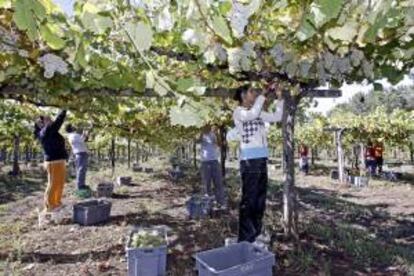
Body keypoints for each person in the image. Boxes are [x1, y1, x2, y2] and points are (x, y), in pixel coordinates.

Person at [233, 83, 283, 243]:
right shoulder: (239, 112)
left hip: (261, 159)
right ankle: (245, 237)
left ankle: (256, 232)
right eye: (251, 92)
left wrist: (280, 98)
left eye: (254, 92)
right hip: (249, 160)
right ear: (243, 95)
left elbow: (277, 117)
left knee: (260, 198)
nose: (254, 94)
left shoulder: (258, 112)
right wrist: (263, 94)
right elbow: (252, 115)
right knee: (249, 199)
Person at [34, 110, 68, 213]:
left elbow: (55, 124)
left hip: (58, 161)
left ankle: (57, 203)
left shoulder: (49, 131)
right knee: (53, 184)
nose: (49, 119)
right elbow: (58, 121)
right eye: (46, 119)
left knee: (59, 183)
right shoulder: (45, 131)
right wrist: (64, 109)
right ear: (41, 124)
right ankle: (49, 206)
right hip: (53, 162)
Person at [199, 125, 226, 208]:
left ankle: (220, 203)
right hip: (205, 162)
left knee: (218, 183)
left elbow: (219, 144)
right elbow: (198, 141)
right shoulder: (201, 134)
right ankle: (208, 204)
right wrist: (201, 132)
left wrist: (217, 133)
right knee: (207, 183)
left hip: (214, 161)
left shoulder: (214, 134)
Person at [65, 124, 90, 192]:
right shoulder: (74, 135)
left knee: (81, 170)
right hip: (81, 153)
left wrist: (84, 134)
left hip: (79, 153)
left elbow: (81, 140)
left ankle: (82, 185)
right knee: (81, 170)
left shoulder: (72, 135)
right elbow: (83, 140)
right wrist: (85, 134)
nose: (74, 126)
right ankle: (80, 186)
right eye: (73, 126)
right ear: (71, 128)